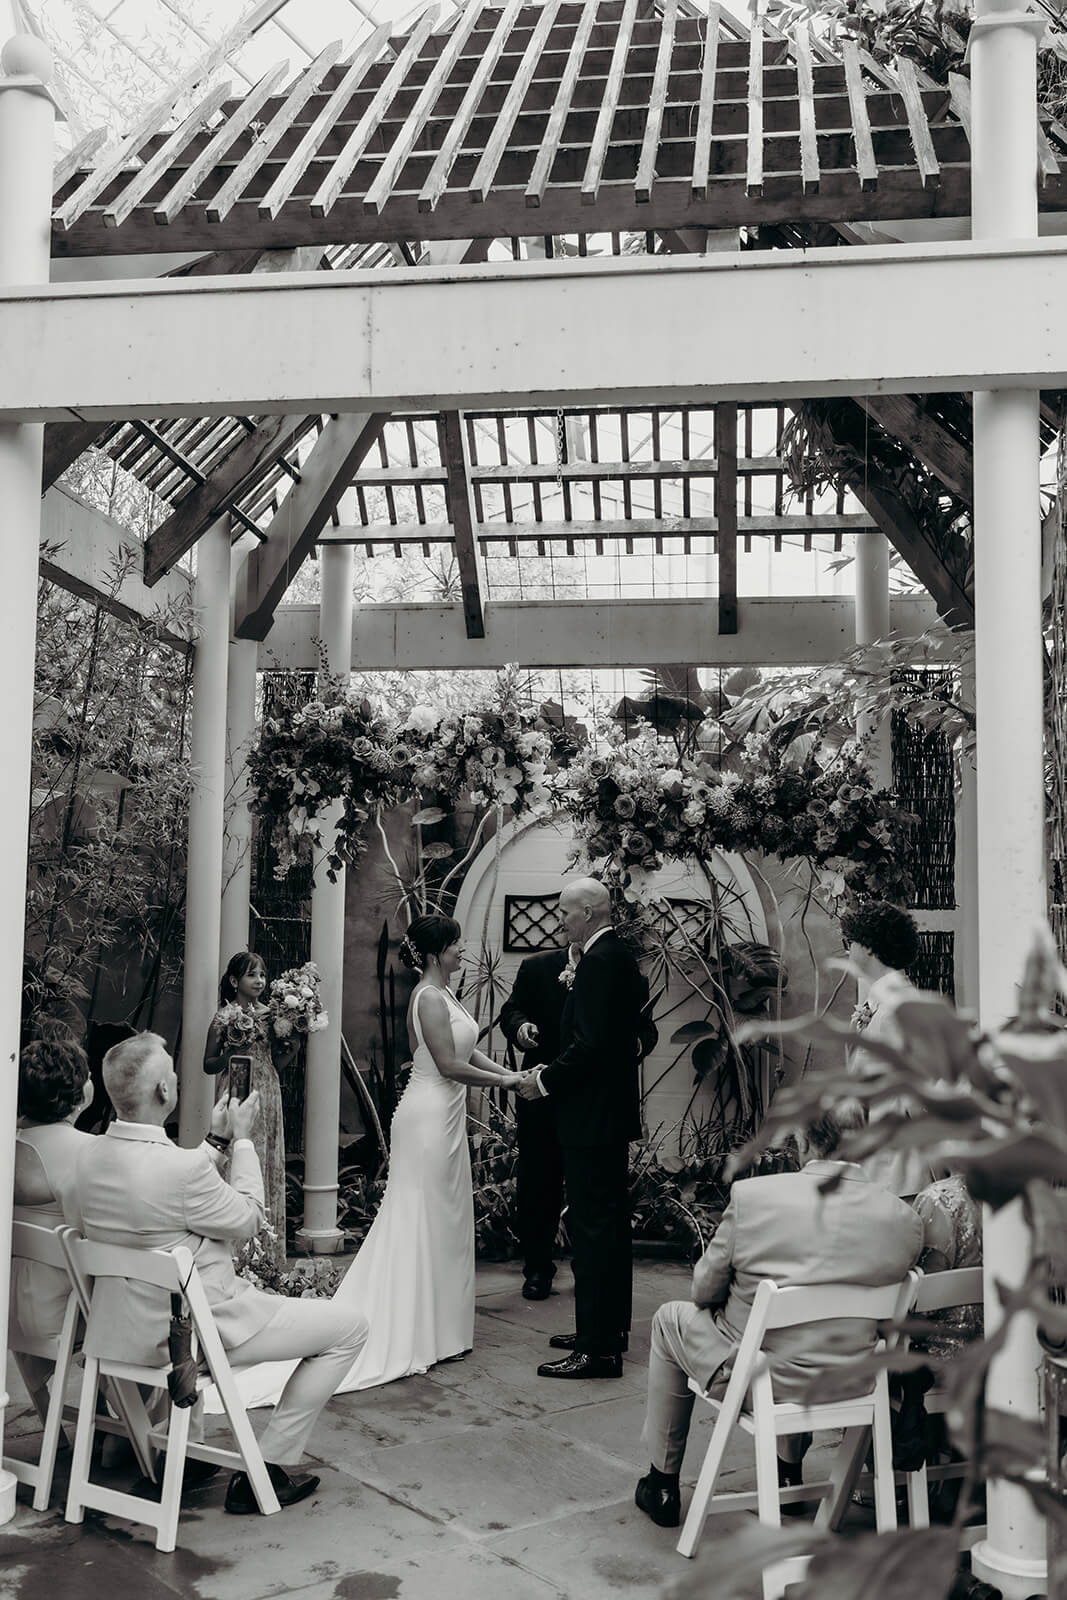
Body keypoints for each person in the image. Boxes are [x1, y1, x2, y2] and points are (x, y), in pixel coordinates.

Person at [221, 914, 525, 1412]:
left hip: (446, 1119)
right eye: (455, 945)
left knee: (445, 1221)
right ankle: (411, 1326)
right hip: (427, 1120)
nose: (461, 951)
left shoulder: (445, 994)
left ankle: (442, 1330)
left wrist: (513, 1074)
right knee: (419, 1219)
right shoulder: (427, 998)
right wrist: (509, 1083)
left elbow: (466, 1053)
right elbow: (447, 1065)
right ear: (435, 953)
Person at [74, 1031, 370, 1513]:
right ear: (164, 1090)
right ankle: (267, 1469)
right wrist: (245, 1140)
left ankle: (186, 1452)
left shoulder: (87, 1157)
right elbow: (249, 1217)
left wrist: (216, 1141)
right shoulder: (180, 1172)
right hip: (195, 1337)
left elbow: (162, 1186)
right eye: (172, 1071)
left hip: (118, 1331)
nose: (176, 1077)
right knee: (351, 1329)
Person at [634, 1109, 923, 1529]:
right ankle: (787, 1473)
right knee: (802, 1335)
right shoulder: (904, 1220)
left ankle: (661, 1484)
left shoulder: (754, 1198)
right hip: (854, 1381)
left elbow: (703, 1291)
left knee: (669, 1319)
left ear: (803, 1142)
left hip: (759, 1379)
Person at [517, 877, 648, 1380]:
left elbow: (590, 1046)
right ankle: (607, 1331)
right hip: (607, 1118)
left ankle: (597, 1350)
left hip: (591, 1119)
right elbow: (619, 1039)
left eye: (566, 912)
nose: (561, 920)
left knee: (594, 1233)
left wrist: (543, 1081)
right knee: (608, 1230)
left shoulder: (598, 961)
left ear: (589, 912)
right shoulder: (619, 957)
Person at [11, 1036, 95, 1409]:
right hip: (63, 1314)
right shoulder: (86, 1150)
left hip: (8, 1306)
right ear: (77, 1094)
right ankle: (128, 1428)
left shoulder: (7, 1141)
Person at [204, 951, 296, 1269]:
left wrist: (294, 1047)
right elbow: (208, 1064)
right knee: (238, 1158)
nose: (259, 981)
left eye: (262, 975)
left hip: (267, 1092)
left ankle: (266, 1257)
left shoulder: (273, 1017)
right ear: (234, 981)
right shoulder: (223, 1017)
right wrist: (232, 1053)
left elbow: (276, 1063)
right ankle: (235, 1253)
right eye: (251, 975)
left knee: (265, 1160)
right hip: (237, 1089)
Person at [841, 900, 935, 1199]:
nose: (847, 950)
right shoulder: (881, 1002)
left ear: (868, 947)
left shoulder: (898, 1006)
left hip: (899, 1172)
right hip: (876, 1164)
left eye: (849, 942)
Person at [498, 943, 572, 1301]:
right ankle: (538, 1269)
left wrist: (634, 1044)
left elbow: (643, 1028)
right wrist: (521, 1027)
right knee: (538, 1186)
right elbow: (511, 1010)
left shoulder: (616, 966)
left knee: (590, 1190)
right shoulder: (537, 966)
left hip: (592, 1099)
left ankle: (590, 1271)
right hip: (540, 1092)